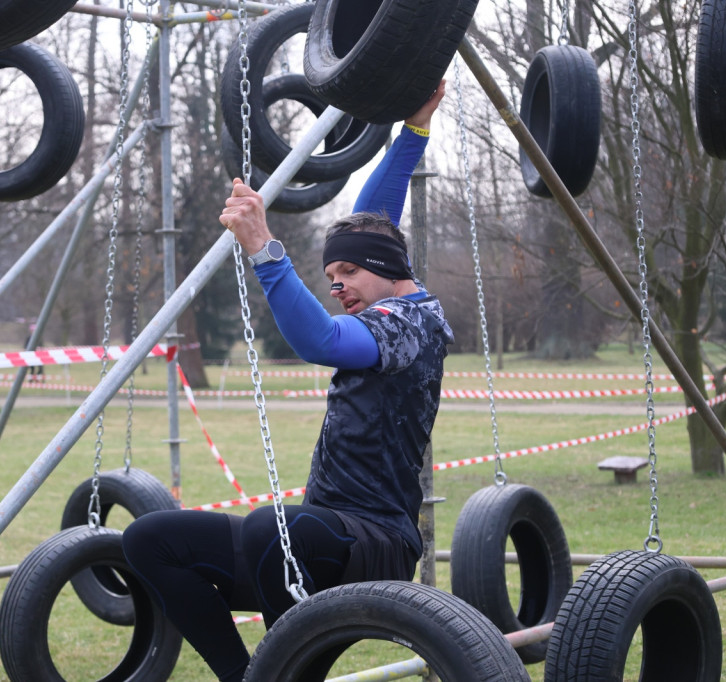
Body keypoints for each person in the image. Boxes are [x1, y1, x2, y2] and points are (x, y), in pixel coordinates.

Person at [122, 81, 452, 682]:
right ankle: (250, 677)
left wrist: (265, 250)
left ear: (386, 269)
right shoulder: (378, 302)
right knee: (151, 539)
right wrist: (415, 131)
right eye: (330, 274)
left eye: (348, 271)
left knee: (275, 529)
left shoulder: (413, 326)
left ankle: (289, 673)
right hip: (313, 542)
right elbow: (376, 215)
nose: (337, 284)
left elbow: (319, 342)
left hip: (376, 543)